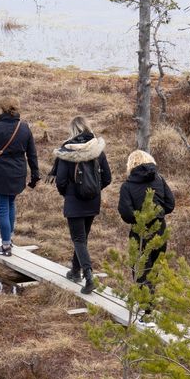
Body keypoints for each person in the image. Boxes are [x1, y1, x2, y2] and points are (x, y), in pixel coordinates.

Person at [51, 116, 112, 295]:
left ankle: (89, 276)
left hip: (74, 202)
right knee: (82, 238)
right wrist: (93, 190)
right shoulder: (97, 149)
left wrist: (69, 194)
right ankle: (75, 271)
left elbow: (61, 181)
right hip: (93, 201)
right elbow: (107, 178)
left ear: (73, 130)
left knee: (78, 239)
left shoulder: (66, 151)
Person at [0, 99, 41, 251]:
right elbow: (32, 154)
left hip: (0, 173)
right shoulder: (25, 128)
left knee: (2, 207)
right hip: (19, 173)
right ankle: (9, 236)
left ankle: (6, 245)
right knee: (11, 203)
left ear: (2, 109)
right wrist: (35, 175)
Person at [116, 149, 177, 294]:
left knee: (140, 271)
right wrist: (157, 214)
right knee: (153, 271)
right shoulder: (159, 179)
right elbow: (170, 204)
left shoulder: (127, 186)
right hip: (160, 231)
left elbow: (126, 214)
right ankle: (149, 306)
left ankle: (146, 309)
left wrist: (140, 219)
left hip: (139, 234)